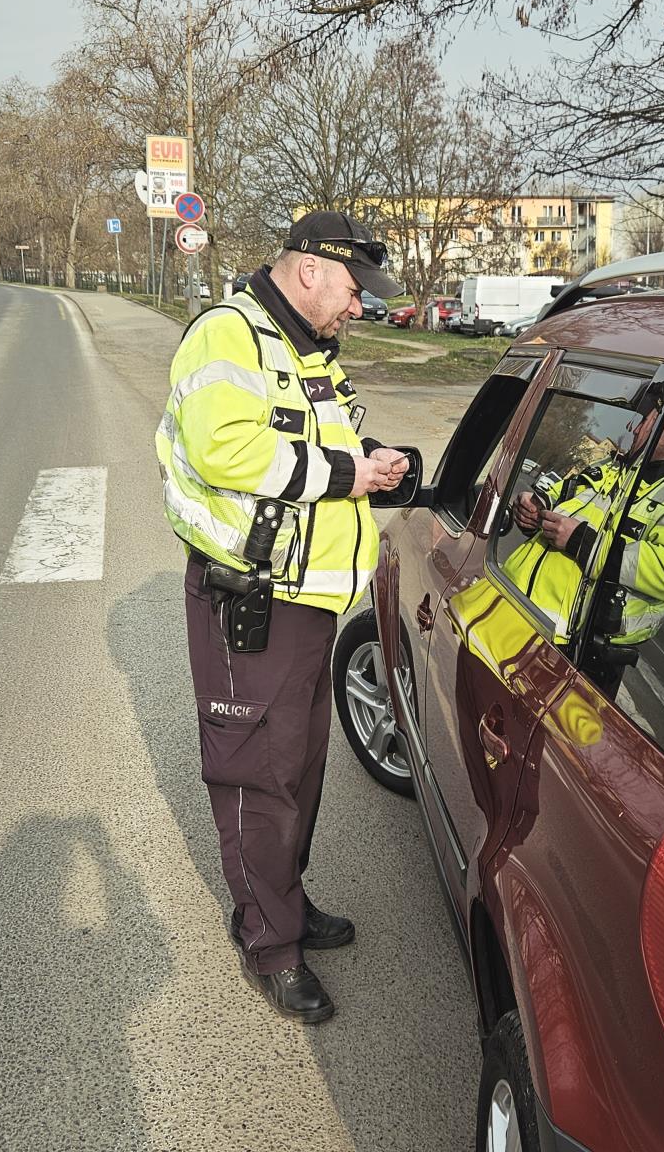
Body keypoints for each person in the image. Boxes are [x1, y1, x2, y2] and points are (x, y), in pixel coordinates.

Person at [154, 211, 408, 1024]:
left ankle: (285, 902)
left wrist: (375, 466)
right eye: (354, 289)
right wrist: (346, 474)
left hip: (307, 602)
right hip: (251, 601)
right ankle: (270, 941)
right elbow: (226, 449)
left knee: (297, 770)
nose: (360, 306)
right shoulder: (229, 335)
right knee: (258, 777)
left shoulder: (308, 349)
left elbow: (322, 448)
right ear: (309, 271)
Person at [505, 378, 664, 663]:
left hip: (561, 645)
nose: (635, 428)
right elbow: (564, 491)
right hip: (511, 596)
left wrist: (582, 542)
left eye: (649, 419)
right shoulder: (615, 466)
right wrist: (537, 506)